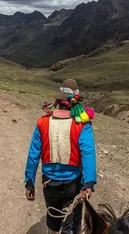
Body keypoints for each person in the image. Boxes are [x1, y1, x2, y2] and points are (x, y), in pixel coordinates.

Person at [24, 78, 97, 234]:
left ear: (58, 99)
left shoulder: (42, 122)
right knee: (72, 225)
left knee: (53, 219)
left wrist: (29, 181)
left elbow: (33, 154)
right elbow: (88, 152)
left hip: (49, 183)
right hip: (73, 183)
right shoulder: (82, 124)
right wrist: (88, 183)